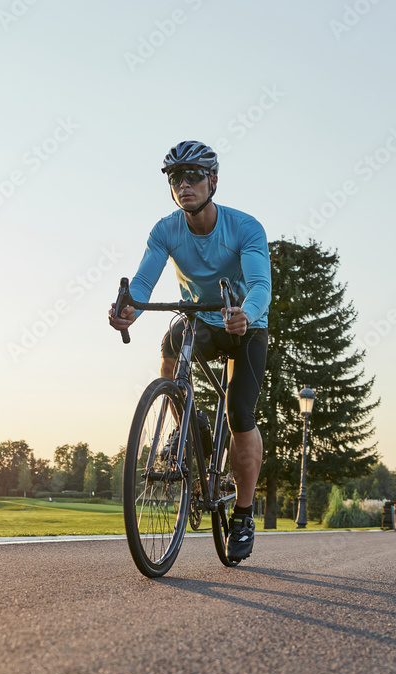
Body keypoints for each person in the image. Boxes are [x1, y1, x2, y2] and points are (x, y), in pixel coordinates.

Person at [109, 140, 272, 563]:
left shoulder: (245, 227)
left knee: (239, 414)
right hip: (201, 319)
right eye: (175, 178)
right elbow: (143, 283)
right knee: (170, 343)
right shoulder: (165, 230)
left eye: (193, 176)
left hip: (244, 325)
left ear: (212, 181)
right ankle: (188, 420)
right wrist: (130, 310)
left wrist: (248, 313)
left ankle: (243, 515)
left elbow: (260, 285)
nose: (184, 185)